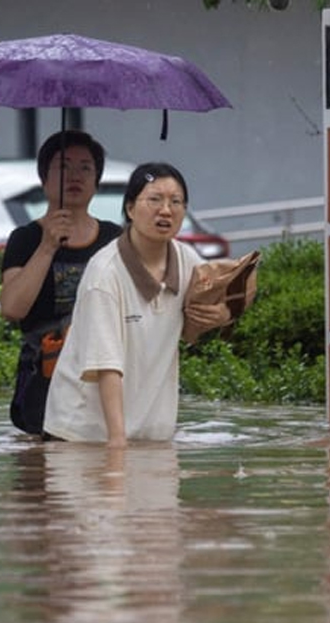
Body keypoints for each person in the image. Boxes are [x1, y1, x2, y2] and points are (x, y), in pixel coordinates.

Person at [43, 162, 229, 445]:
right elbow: (107, 367)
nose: (166, 210)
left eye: (176, 201)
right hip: (82, 436)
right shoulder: (105, 273)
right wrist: (117, 446)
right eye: (154, 199)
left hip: (150, 434)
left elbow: (218, 300)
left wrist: (220, 314)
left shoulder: (186, 259)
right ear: (130, 209)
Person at [1, 129, 123, 436]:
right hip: (45, 379)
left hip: (101, 374)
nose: (75, 176)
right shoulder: (25, 239)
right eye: (64, 166)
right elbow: (13, 308)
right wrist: (47, 246)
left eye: (86, 168)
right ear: (44, 178)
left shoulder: (115, 239)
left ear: (96, 181)